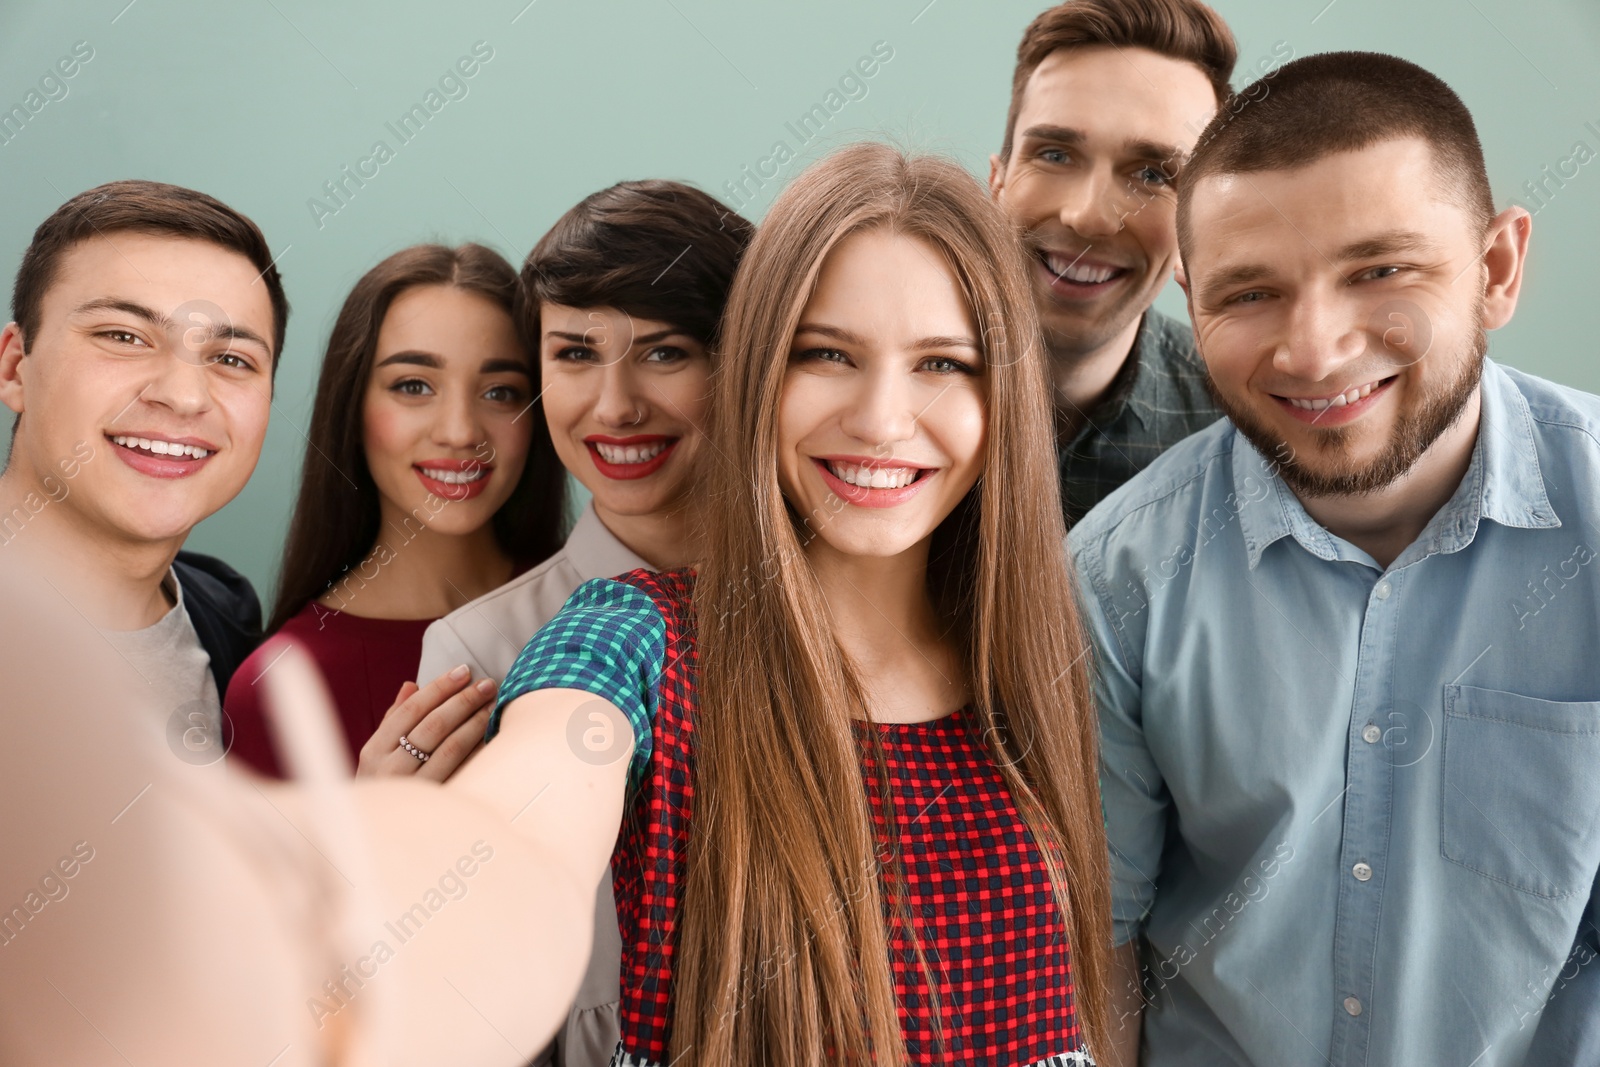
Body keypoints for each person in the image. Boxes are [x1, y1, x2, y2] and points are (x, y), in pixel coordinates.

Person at [448, 142, 1113, 1066]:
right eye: (828, 354)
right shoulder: (635, 638)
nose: (882, 419)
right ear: (758, 372)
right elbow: (528, 815)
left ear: (1004, 395)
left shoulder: (1038, 655)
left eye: (943, 364)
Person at [1072, 52, 1600, 1066]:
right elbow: (1099, 957)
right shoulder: (1111, 579)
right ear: (1189, 292)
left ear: (1496, 268)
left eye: (1379, 270)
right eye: (1250, 292)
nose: (1311, 350)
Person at [371, 182, 753, 1066]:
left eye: (665, 352)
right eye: (575, 353)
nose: (614, 406)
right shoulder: (479, 651)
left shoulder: (847, 603)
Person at [222, 243, 563, 777]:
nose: (459, 431)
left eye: (500, 392)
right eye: (413, 386)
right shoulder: (278, 690)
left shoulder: (604, 609)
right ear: (352, 404)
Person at [0, 179, 286, 756]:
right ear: (14, 368)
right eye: (124, 336)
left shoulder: (228, 616)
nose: (183, 396)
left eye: (231, 359)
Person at [988, 0, 1247, 526]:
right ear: (997, 181)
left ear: (1203, 223)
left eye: (1152, 174)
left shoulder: (1247, 437)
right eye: (1055, 155)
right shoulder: (866, 392)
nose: (1088, 217)